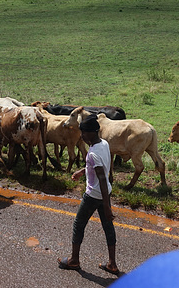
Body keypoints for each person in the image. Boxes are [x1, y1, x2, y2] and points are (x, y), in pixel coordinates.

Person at [58, 114, 120, 276]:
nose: (82, 136)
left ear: (92, 132)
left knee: (79, 224)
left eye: (84, 133)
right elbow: (99, 167)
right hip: (105, 191)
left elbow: (100, 176)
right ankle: (112, 264)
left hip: (94, 195)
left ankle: (74, 260)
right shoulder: (104, 144)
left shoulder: (92, 153)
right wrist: (82, 171)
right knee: (108, 227)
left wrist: (106, 207)